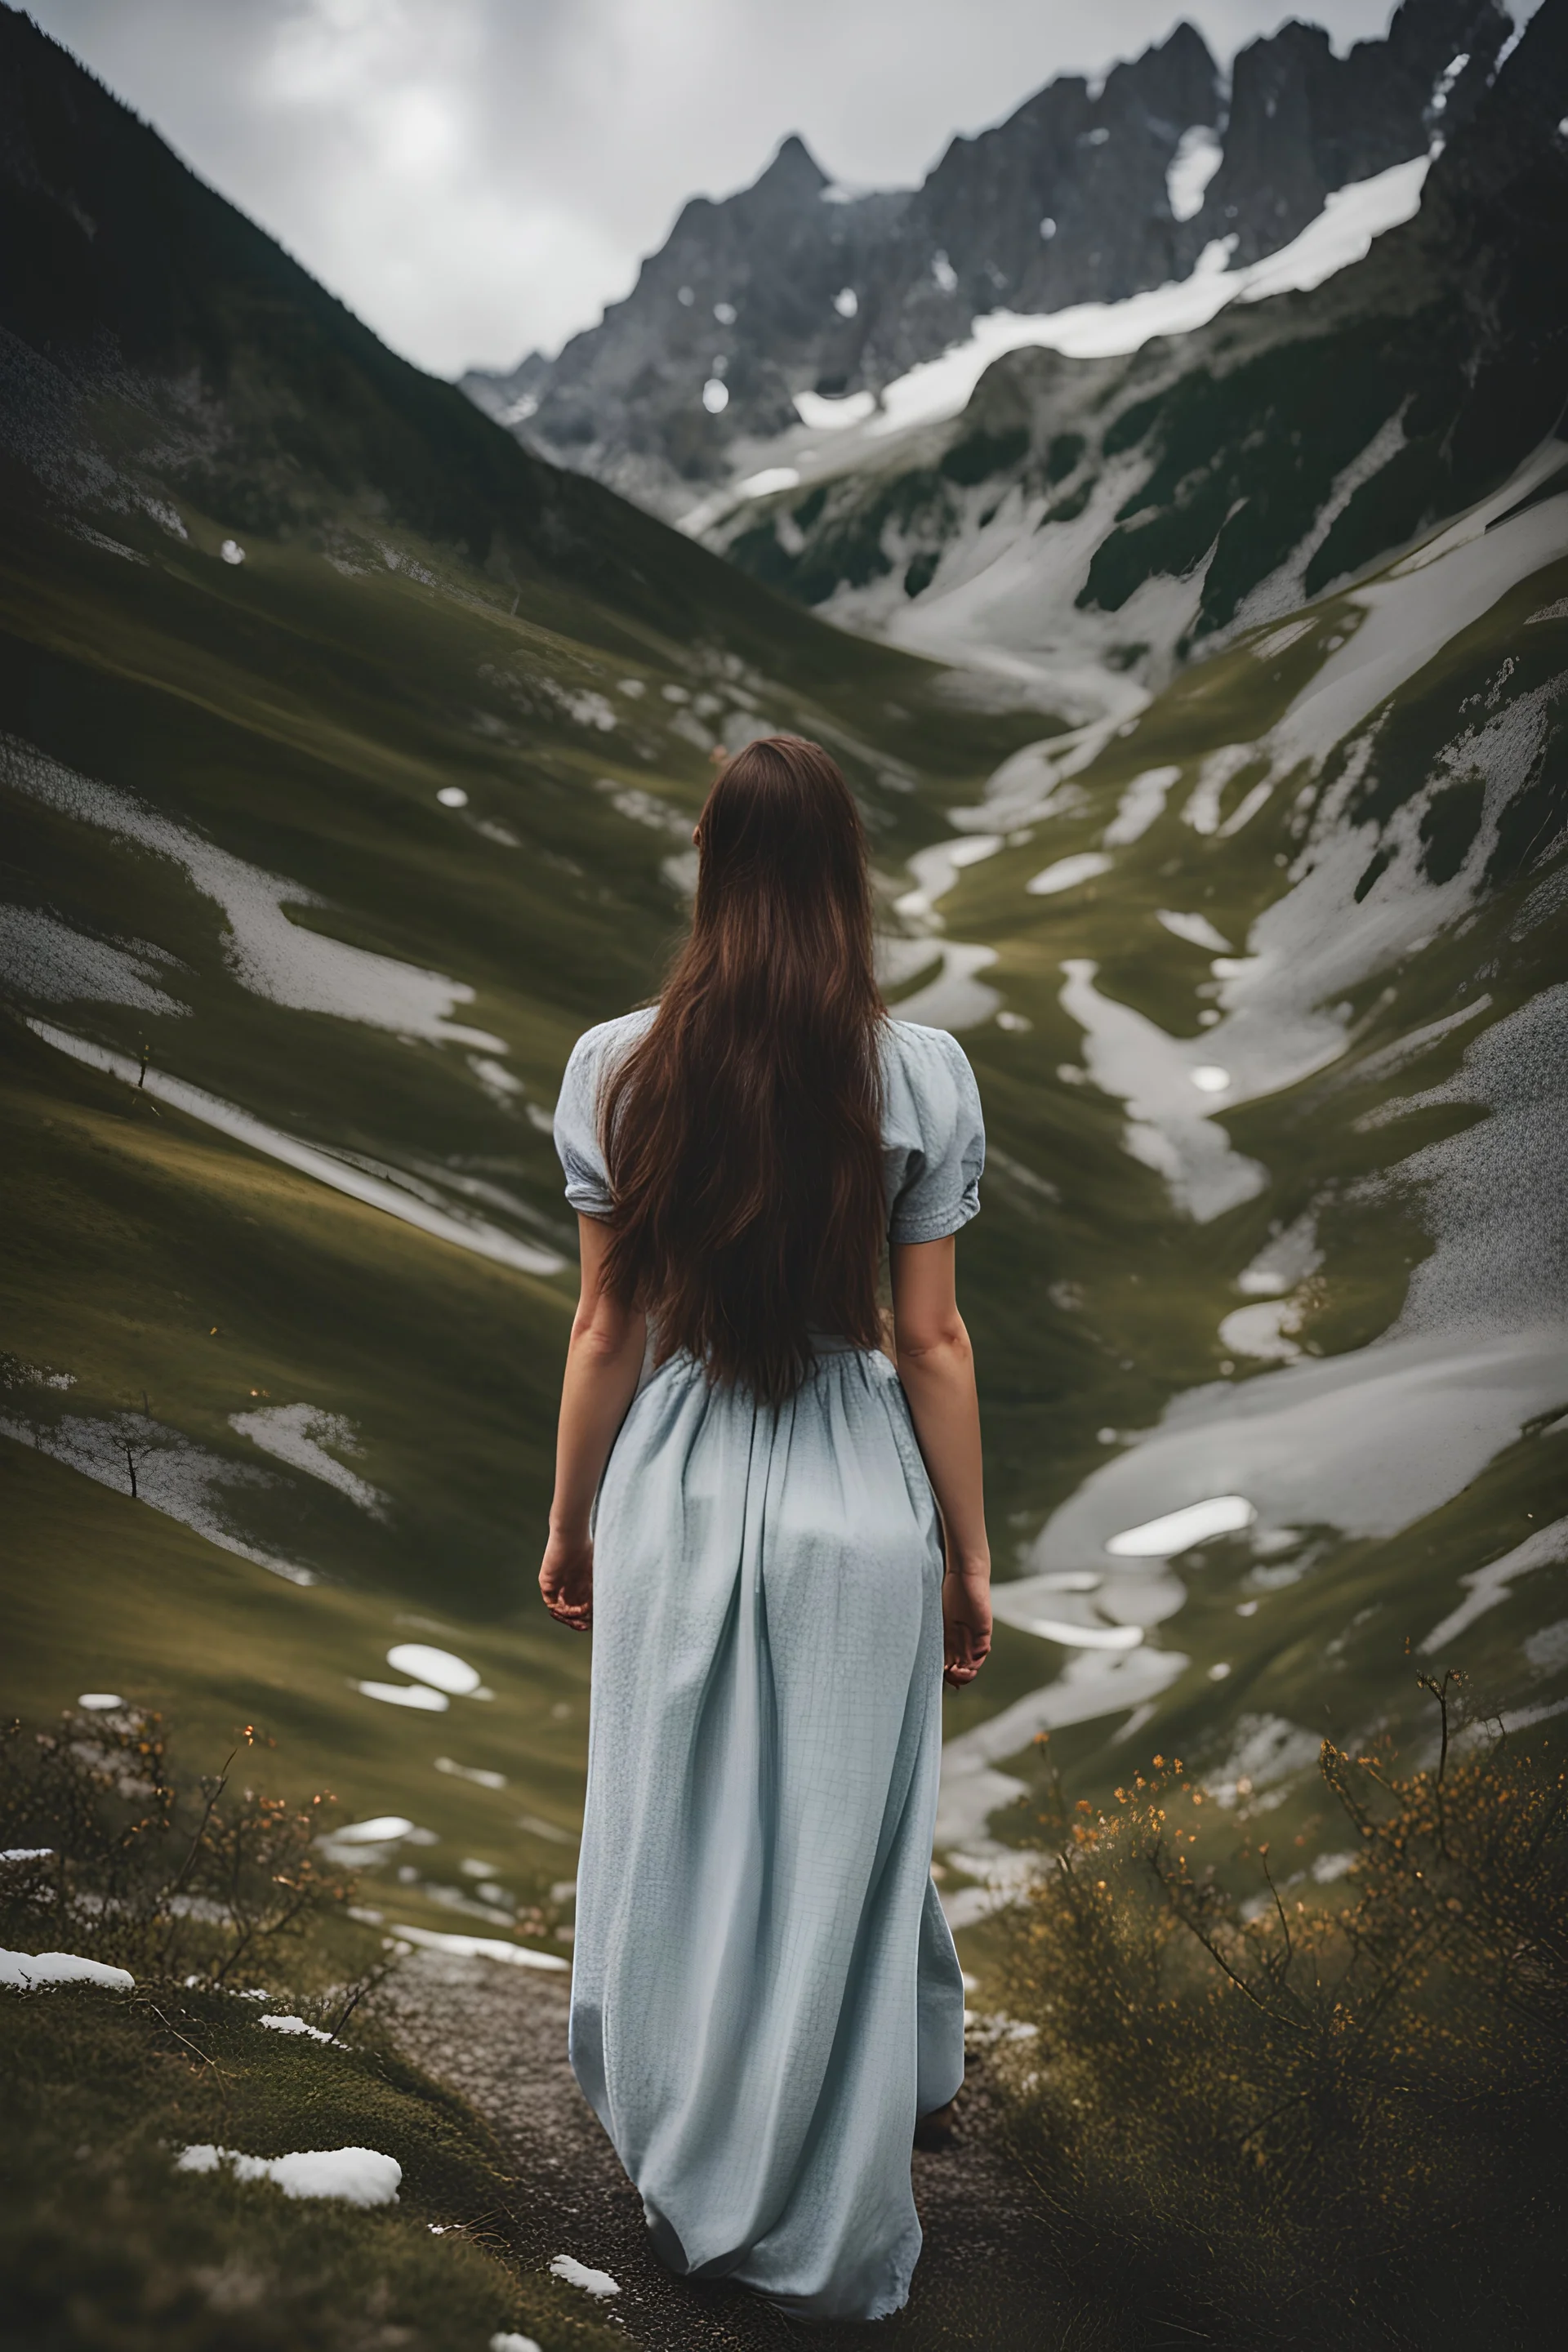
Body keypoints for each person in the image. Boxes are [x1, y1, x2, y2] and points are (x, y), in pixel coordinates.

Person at [541, 733, 991, 2323]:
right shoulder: (919, 1073)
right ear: (845, 882)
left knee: (678, 1815)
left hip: (678, 1475)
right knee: (836, 1836)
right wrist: (968, 1550)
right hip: (860, 1490)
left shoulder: (619, 1067)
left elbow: (609, 1328)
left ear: (711, 869)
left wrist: (571, 1520)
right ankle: (836, 2162)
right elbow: (931, 1343)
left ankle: (693, 2154)